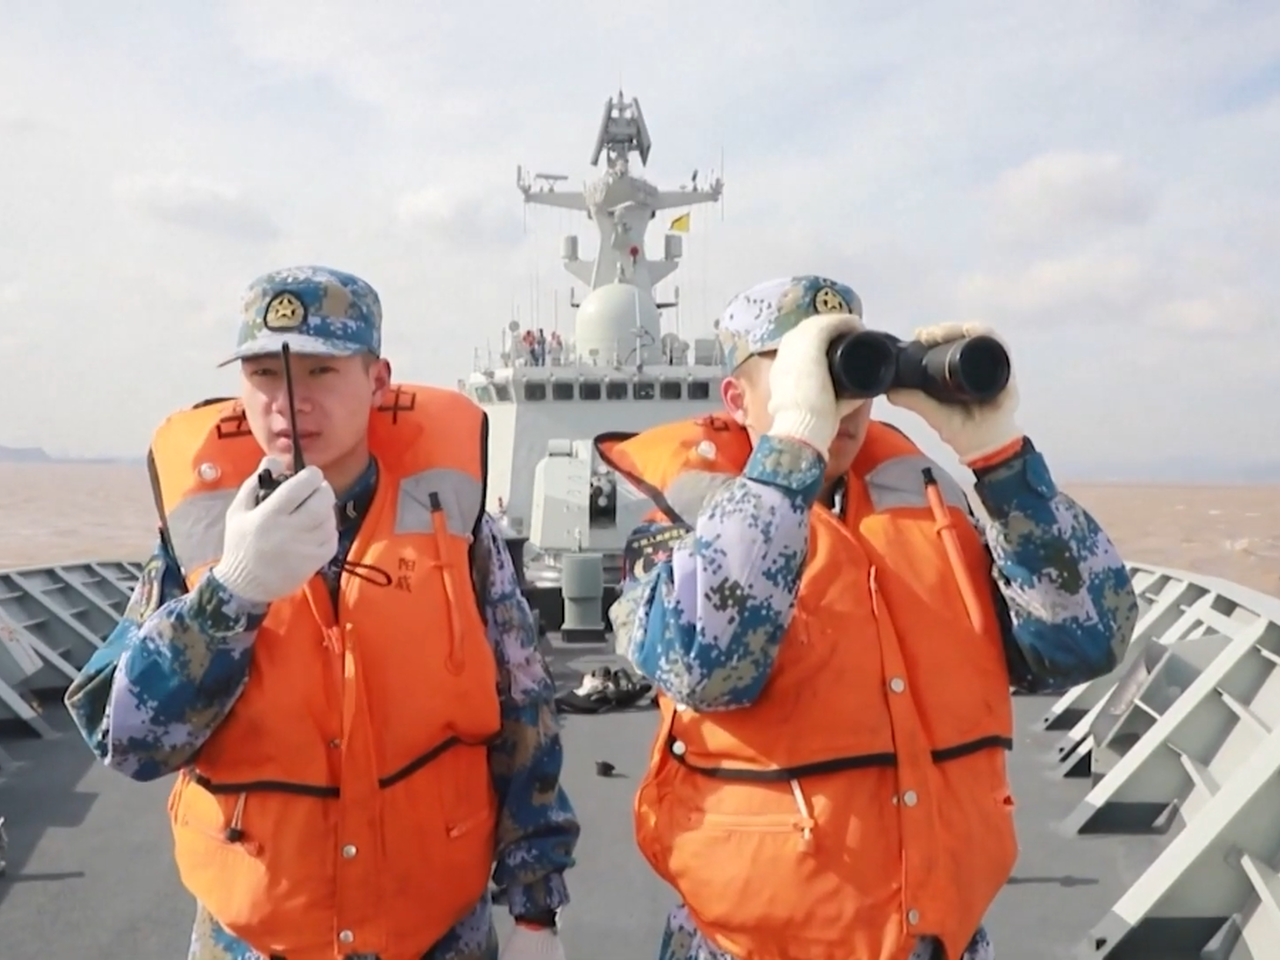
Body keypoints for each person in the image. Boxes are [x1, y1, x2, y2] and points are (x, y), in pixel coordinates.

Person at [596, 275, 1139, 960]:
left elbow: (1086, 641)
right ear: (737, 399)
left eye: (850, 373)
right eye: (808, 374)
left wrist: (998, 457)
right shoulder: (676, 536)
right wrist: (793, 447)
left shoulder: (936, 520)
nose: (841, 406)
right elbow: (707, 667)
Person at [64, 266, 579, 960]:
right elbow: (124, 738)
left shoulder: (455, 530)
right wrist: (232, 592)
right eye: (264, 374)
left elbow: (524, 708)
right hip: (257, 940)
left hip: (436, 937)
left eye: (320, 371)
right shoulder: (198, 542)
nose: (288, 401)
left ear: (377, 380)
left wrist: (536, 913)